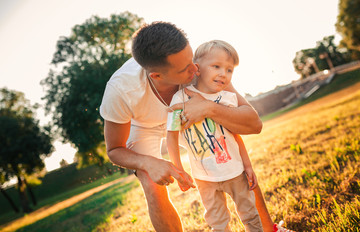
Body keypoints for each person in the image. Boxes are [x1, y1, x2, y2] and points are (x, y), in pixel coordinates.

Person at [100, 21, 289, 232]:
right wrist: (147, 163)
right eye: (185, 69)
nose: (196, 68)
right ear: (156, 76)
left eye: (192, 59)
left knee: (229, 152)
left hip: (188, 113)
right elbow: (114, 150)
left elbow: (253, 124)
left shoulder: (200, 63)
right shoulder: (120, 91)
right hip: (144, 125)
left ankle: (269, 230)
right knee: (152, 182)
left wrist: (209, 108)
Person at [166, 40, 263, 231]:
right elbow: (171, 136)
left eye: (229, 70)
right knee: (217, 222)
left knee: (250, 214)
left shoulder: (227, 99)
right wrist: (178, 169)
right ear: (197, 69)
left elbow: (235, 136)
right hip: (204, 177)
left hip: (235, 170)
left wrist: (248, 165)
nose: (223, 74)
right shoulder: (180, 99)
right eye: (216, 66)